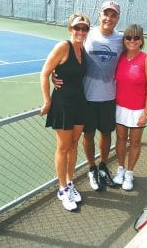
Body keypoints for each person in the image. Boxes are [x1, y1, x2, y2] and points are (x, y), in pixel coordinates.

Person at [53, 1, 124, 191]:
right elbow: (67, 55)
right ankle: (92, 168)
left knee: (107, 134)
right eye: (106, 14)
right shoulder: (86, 33)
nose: (109, 18)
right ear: (100, 15)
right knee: (88, 135)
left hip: (109, 96)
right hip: (87, 98)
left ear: (118, 18)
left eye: (113, 15)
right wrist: (56, 73)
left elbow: (132, 55)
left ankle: (102, 167)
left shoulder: (121, 39)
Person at [40, 12, 90, 211]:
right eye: (76, 27)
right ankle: (61, 189)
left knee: (74, 144)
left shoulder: (82, 49)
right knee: (63, 147)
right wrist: (47, 101)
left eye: (84, 28)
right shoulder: (63, 47)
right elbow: (44, 72)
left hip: (79, 103)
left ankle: (70, 183)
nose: (80, 31)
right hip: (62, 105)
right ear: (70, 29)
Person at [113, 24, 147, 191]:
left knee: (135, 142)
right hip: (120, 107)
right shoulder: (121, 57)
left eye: (136, 38)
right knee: (121, 139)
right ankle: (120, 169)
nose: (132, 41)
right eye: (128, 37)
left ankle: (130, 173)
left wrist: (145, 113)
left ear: (141, 40)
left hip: (139, 110)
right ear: (124, 40)